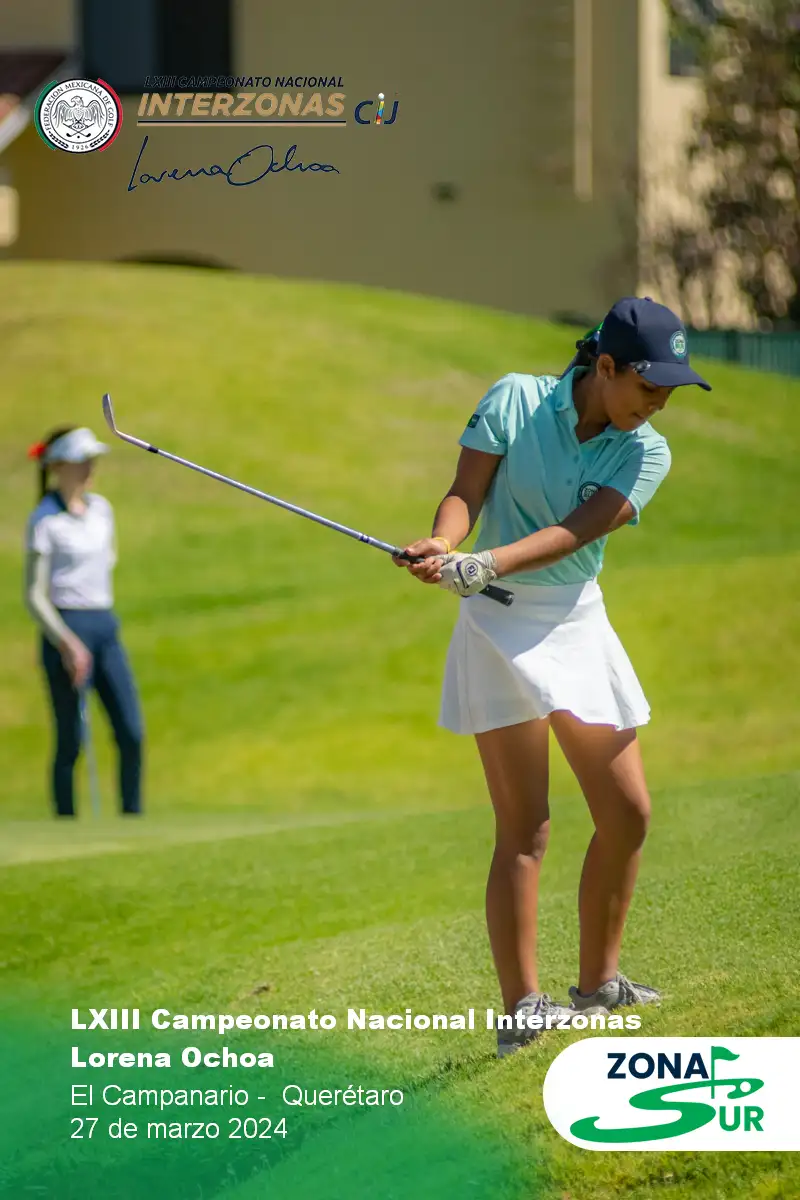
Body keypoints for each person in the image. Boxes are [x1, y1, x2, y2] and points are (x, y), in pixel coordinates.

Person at [396, 298, 711, 1057]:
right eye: (648, 386)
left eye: (669, 391)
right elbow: (466, 492)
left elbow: (578, 531)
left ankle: (599, 985)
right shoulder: (514, 399)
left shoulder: (647, 452)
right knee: (525, 826)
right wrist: (443, 545)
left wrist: (485, 562)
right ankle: (523, 1011)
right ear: (604, 366)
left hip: (573, 614)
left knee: (628, 812)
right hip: (497, 623)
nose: (658, 403)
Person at [24, 426, 144, 818]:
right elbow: (34, 595)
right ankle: (66, 822)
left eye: (91, 460)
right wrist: (67, 642)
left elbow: (108, 561)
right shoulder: (45, 520)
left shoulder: (102, 510)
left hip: (104, 624)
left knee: (131, 730)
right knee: (71, 740)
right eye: (81, 461)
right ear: (58, 466)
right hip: (64, 627)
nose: (89, 468)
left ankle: (132, 818)